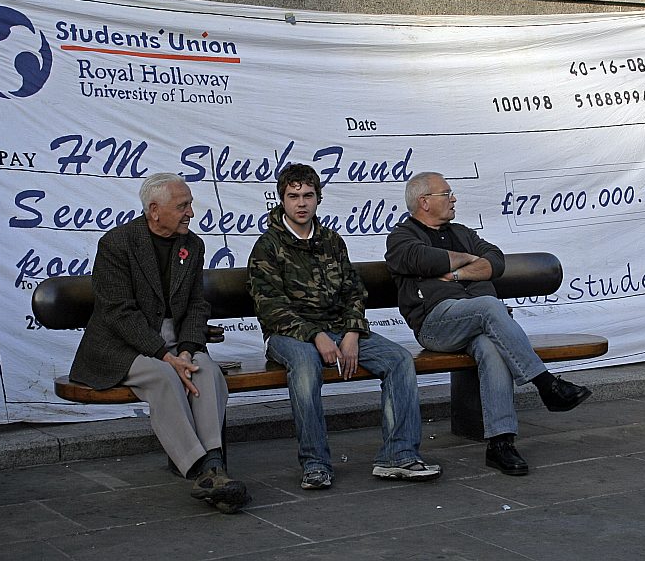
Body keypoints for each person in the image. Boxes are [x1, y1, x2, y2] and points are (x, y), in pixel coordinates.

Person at [247, 163, 441, 489]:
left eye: (308, 195)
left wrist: (351, 332)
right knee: (307, 366)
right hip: (288, 335)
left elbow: (354, 291)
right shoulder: (268, 247)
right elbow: (270, 308)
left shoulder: (332, 241)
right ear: (282, 200)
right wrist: (316, 335)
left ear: (318, 199)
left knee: (398, 360)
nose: (301, 203)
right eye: (293, 196)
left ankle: (398, 455)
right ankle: (315, 463)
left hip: (340, 328)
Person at [385, 171, 592, 476]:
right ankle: (546, 384)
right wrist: (467, 260)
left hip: (477, 323)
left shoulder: (462, 232)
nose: (453, 198)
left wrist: (458, 272)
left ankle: (500, 443)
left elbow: (494, 260)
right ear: (424, 202)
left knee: (491, 347)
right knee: (489, 307)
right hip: (436, 324)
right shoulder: (401, 237)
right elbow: (425, 260)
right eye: (446, 194)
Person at [69, 173, 249, 513]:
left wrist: (186, 348)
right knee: (166, 377)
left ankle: (213, 466)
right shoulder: (116, 244)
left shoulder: (192, 245)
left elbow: (196, 304)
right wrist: (166, 356)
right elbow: (119, 313)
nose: (191, 213)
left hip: (175, 342)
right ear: (154, 210)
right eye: (182, 206)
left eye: (190, 204)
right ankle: (201, 471)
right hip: (121, 345)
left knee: (206, 372)